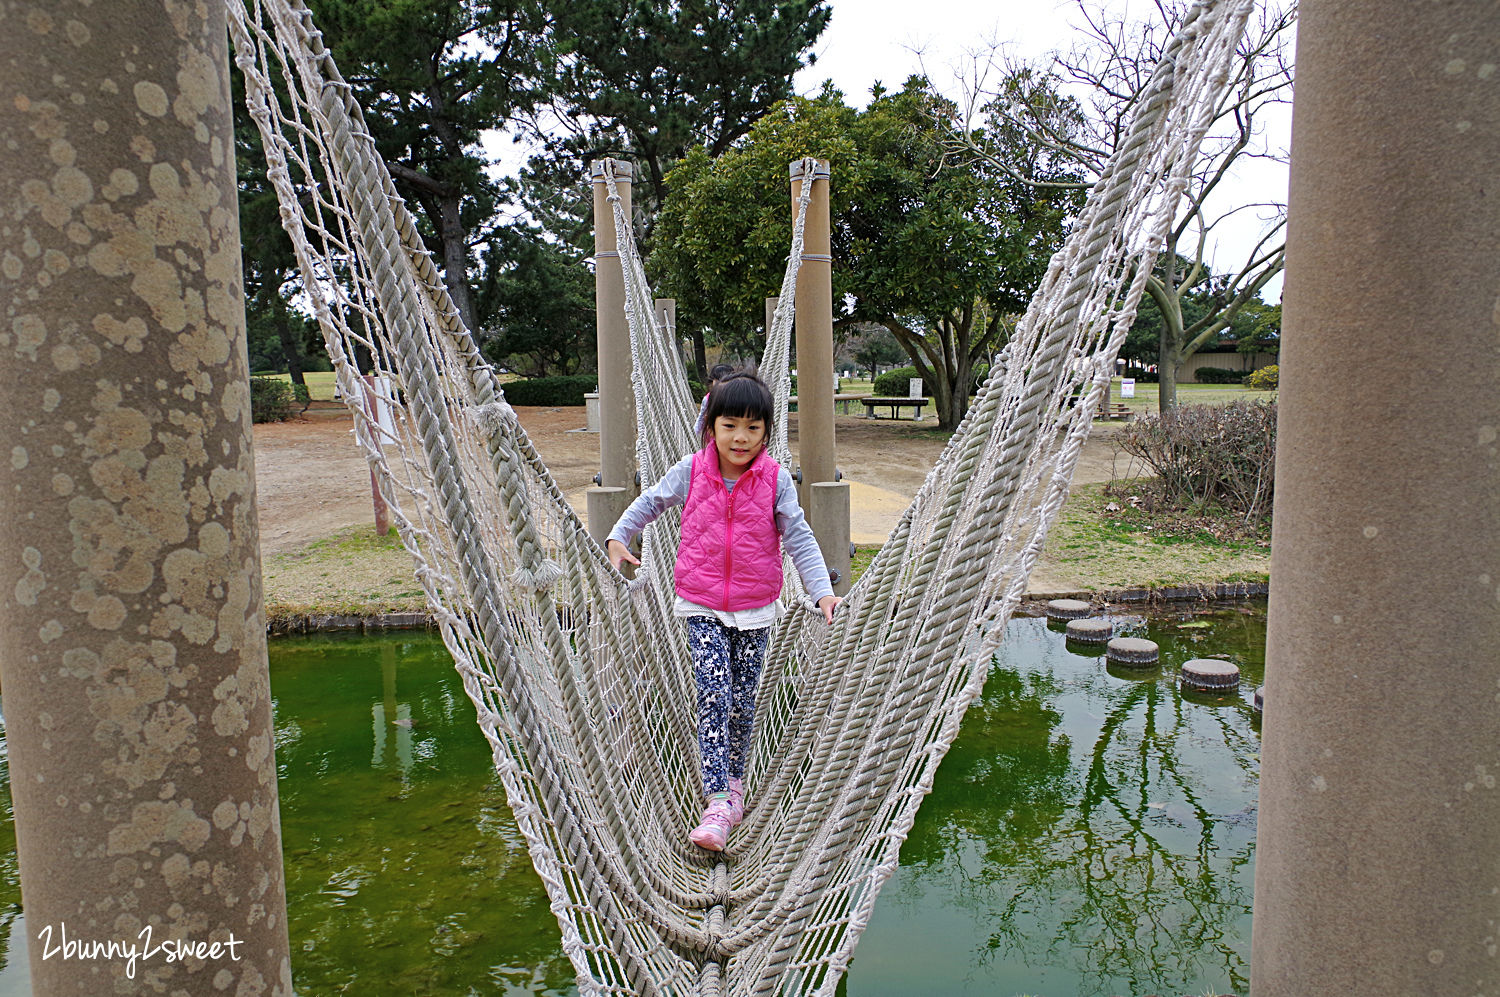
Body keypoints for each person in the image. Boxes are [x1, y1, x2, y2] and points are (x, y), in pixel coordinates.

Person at [608, 369, 841, 851]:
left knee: (743, 699)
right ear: (710, 425)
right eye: (730, 424)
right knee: (714, 693)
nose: (741, 437)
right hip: (702, 603)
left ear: (767, 433)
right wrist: (618, 535)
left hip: (757, 608)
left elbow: (798, 537)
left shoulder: (775, 480)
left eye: (754, 428)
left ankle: (735, 785)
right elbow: (650, 502)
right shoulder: (692, 470)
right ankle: (717, 800)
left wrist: (821, 592)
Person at [692, 363, 736, 437]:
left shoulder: (736, 397)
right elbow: (702, 416)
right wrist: (694, 433)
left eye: (725, 380)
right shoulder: (708, 399)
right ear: (712, 381)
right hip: (713, 435)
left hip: (732, 434)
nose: (721, 383)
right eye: (717, 380)